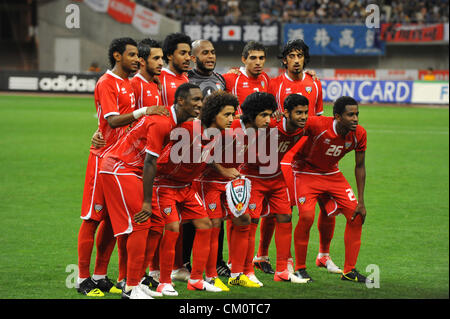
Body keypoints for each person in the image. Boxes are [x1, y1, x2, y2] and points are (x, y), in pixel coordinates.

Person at [77, 37, 167, 297]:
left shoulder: (129, 83)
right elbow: (113, 121)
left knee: (111, 220)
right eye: (132, 55)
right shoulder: (106, 83)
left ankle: (100, 276)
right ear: (117, 56)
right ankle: (82, 279)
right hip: (101, 158)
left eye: (139, 56)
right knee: (92, 218)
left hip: (121, 162)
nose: (137, 59)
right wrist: (144, 112)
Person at [255, 39, 340, 275]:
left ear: (305, 59)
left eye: (300, 56)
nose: (296, 60)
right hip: (285, 154)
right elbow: (268, 120)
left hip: (311, 154)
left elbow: (320, 119)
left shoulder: (314, 83)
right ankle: (270, 257)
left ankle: (324, 255)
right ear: (284, 60)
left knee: (327, 204)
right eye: (291, 56)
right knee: (281, 208)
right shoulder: (275, 84)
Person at [133, 83, 226, 296]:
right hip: (164, 186)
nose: (232, 119)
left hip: (185, 187)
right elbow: (159, 157)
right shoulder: (186, 129)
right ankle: (164, 281)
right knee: (172, 228)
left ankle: (196, 279)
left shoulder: (217, 133)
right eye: (227, 115)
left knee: (205, 224)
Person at [292, 96, 372, 283]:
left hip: (331, 174)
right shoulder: (316, 125)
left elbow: (360, 166)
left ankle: (349, 270)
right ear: (337, 116)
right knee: (306, 217)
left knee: (356, 214)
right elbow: (290, 128)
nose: (355, 119)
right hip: (305, 172)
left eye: (357, 114)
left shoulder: (359, 134)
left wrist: (361, 201)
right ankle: (300, 269)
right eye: (350, 115)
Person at [184, 39, 231, 278]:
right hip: (191, 149)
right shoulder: (186, 80)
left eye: (213, 52)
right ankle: (182, 262)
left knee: (217, 214)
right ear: (193, 57)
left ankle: (218, 261)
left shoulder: (221, 80)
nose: (210, 56)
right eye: (205, 53)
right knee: (191, 215)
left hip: (215, 148)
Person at [222, 41, 270, 115]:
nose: (258, 62)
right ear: (244, 60)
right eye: (253, 58)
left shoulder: (265, 77)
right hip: (238, 126)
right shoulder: (231, 78)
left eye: (261, 58)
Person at [160, 33, 192, 107]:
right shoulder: (158, 76)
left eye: (189, 53)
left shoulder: (186, 79)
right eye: (183, 53)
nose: (188, 58)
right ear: (169, 55)